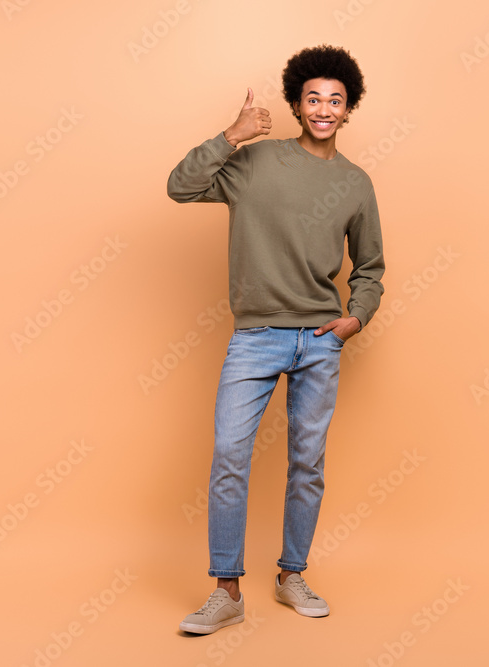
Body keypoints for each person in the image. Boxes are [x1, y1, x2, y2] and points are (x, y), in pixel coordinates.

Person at [166, 44, 385, 635]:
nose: (323, 108)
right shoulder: (254, 162)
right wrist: (230, 135)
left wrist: (354, 318)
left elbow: (370, 267)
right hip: (256, 337)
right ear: (296, 104)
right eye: (313, 98)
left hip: (319, 340)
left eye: (335, 100)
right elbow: (180, 187)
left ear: (347, 111)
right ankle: (227, 591)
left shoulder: (356, 184)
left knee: (306, 464)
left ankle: (292, 576)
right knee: (230, 459)